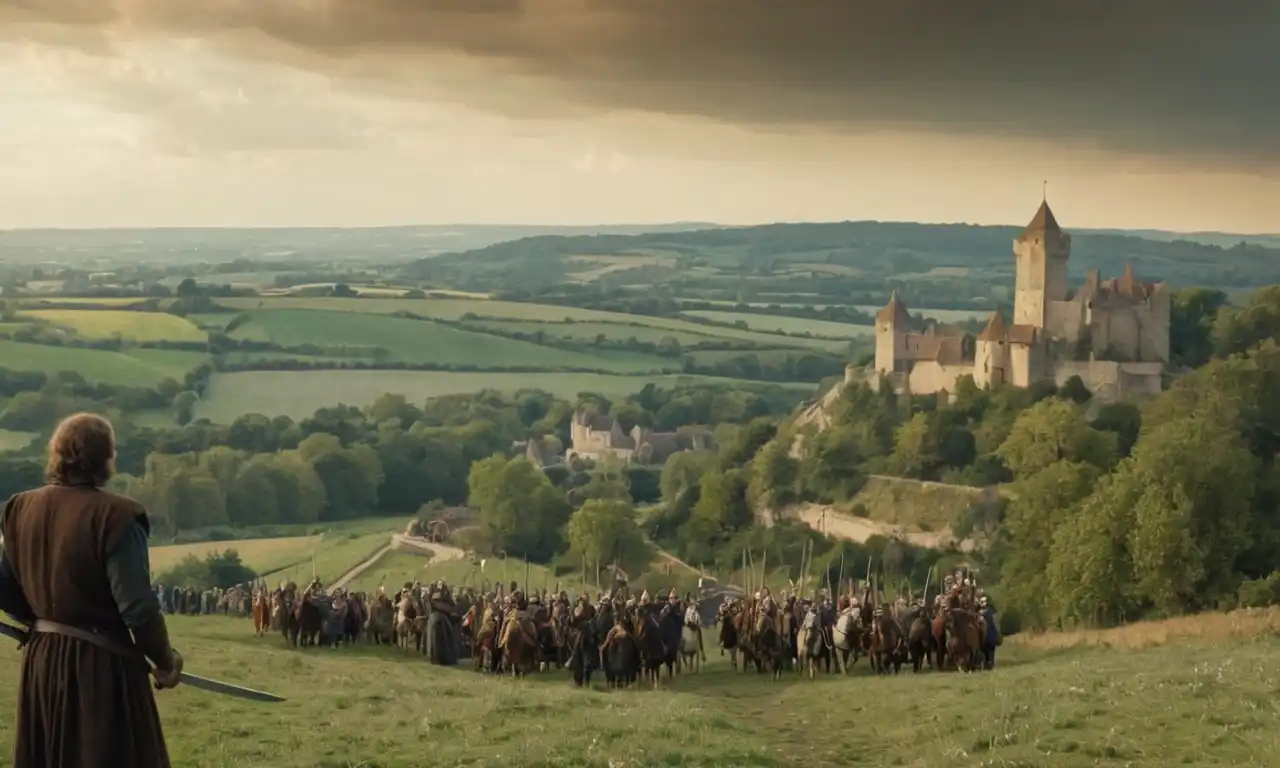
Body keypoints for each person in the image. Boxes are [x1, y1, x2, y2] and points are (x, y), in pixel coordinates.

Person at [0, 412, 182, 768]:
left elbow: (3, 585)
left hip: (42, 659)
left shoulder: (20, 507)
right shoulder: (117, 516)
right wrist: (165, 660)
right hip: (101, 666)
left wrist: (37, 623)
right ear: (106, 458)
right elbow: (138, 609)